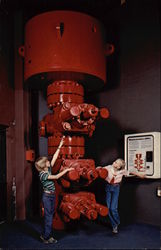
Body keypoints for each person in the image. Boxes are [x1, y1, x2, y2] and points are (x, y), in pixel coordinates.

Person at [35, 137, 74, 244]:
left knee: (51, 215)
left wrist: (60, 146)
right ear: (43, 166)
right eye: (47, 161)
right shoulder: (43, 174)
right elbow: (56, 177)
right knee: (48, 218)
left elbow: (54, 158)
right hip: (47, 197)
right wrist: (66, 170)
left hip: (51, 196)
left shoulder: (48, 169)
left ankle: (48, 235)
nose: (49, 161)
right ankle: (45, 237)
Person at [97, 158, 145, 234]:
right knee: (108, 208)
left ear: (119, 167)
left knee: (113, 208)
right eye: (115, 161)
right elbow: (100, 169)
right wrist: (98, 168)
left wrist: (140, 174)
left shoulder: (122, 171)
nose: (114, 162)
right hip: (108, 187)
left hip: (116, 188)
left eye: (116, 162)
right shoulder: (109, 167)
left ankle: (116, 222)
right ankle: (114, 225)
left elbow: (131, 171)